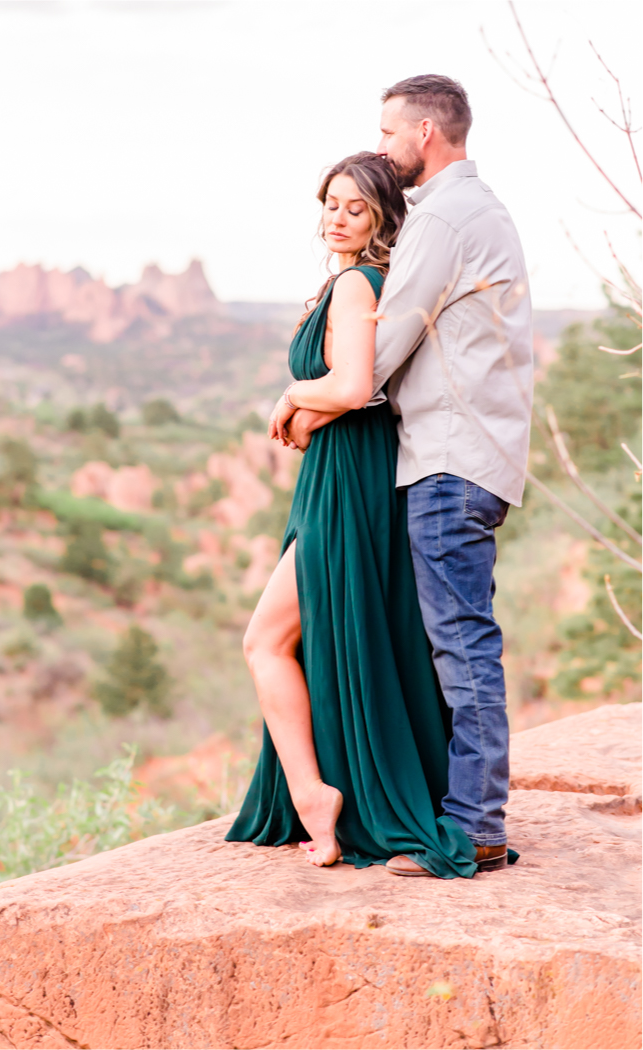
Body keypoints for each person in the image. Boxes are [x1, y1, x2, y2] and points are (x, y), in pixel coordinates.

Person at [284, 75, 531, 876]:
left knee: (460, 645)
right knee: (454, 642)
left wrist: (302, 403)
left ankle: (473, 825)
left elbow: (379, 357)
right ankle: (459, 807)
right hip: (475, 452)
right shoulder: (481, 208)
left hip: (449, 457)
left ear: (426, 131)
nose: (385, 147)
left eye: (389, 133)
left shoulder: (445, 217)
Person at [225, 150, 480, 878]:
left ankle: (315, 797)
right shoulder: (344, 283)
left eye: (355, 208)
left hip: (352, 478)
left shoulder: (358, 285)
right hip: (338, 473)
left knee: (264, 641)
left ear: (382, 219)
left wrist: (290, 399)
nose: (337, 218)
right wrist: (307, 412)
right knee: (301, 637)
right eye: (331, 203)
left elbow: (353, 384)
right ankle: (320, 791)